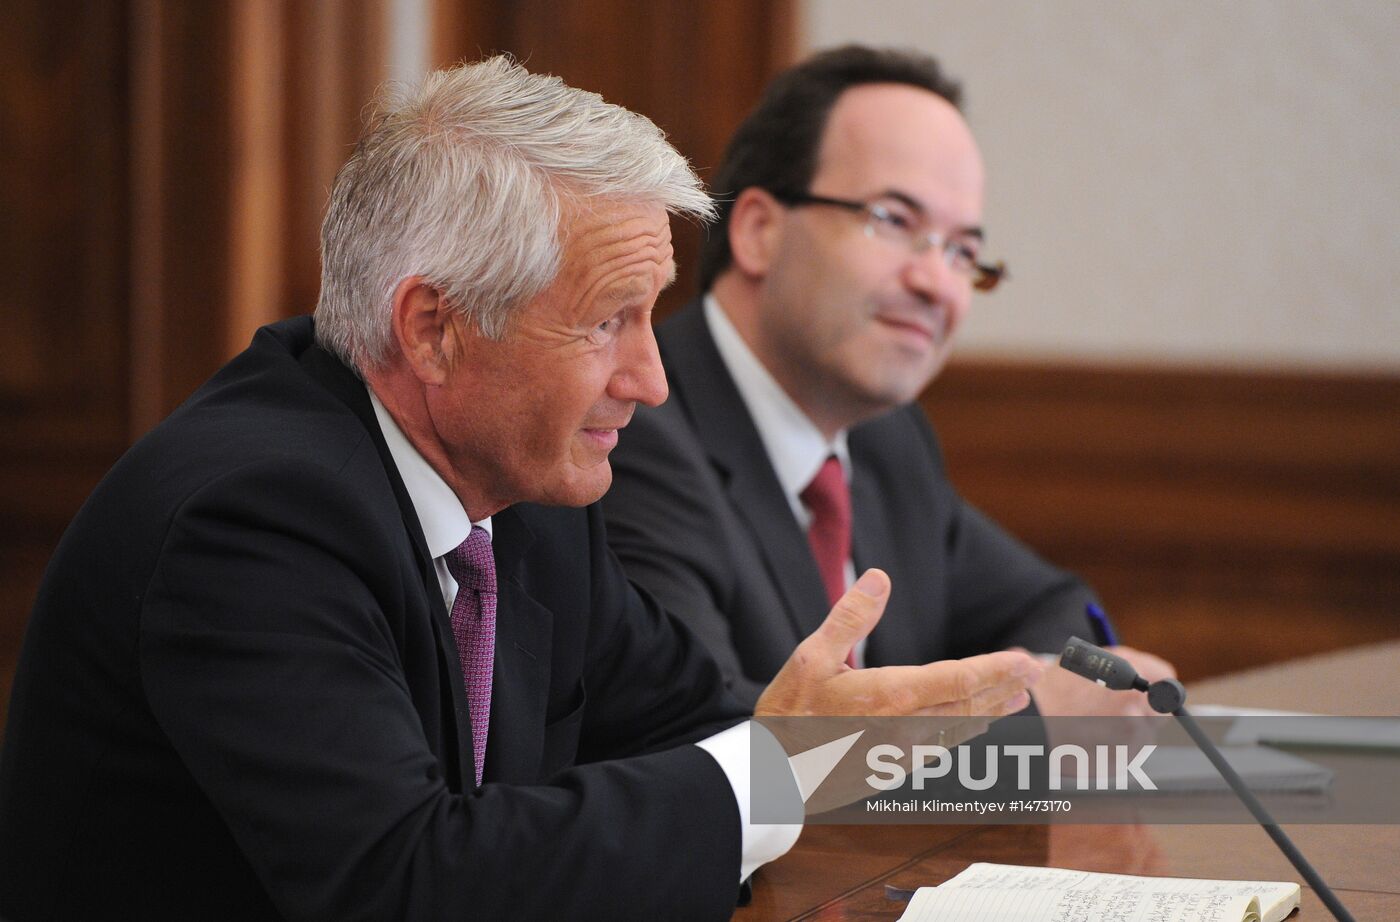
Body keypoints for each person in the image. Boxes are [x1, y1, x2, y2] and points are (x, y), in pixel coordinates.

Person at [0, 57, 1037, 920]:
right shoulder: (255, 519)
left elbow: (693, 728)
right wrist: (780, 767)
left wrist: (862, 750)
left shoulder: (524, 490)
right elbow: (404, 878)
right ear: (432, 329)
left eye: (651, 315)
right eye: (606, 322)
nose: (652, 379)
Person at [602, 45, 1172, 712]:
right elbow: (701, 730)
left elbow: (1057, 607)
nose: (937, 283)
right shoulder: (634, 430)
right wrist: (1023, 721)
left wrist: (1035, 690)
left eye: (963, 251)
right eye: (895, 220)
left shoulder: (887, 440)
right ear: (758, 231)